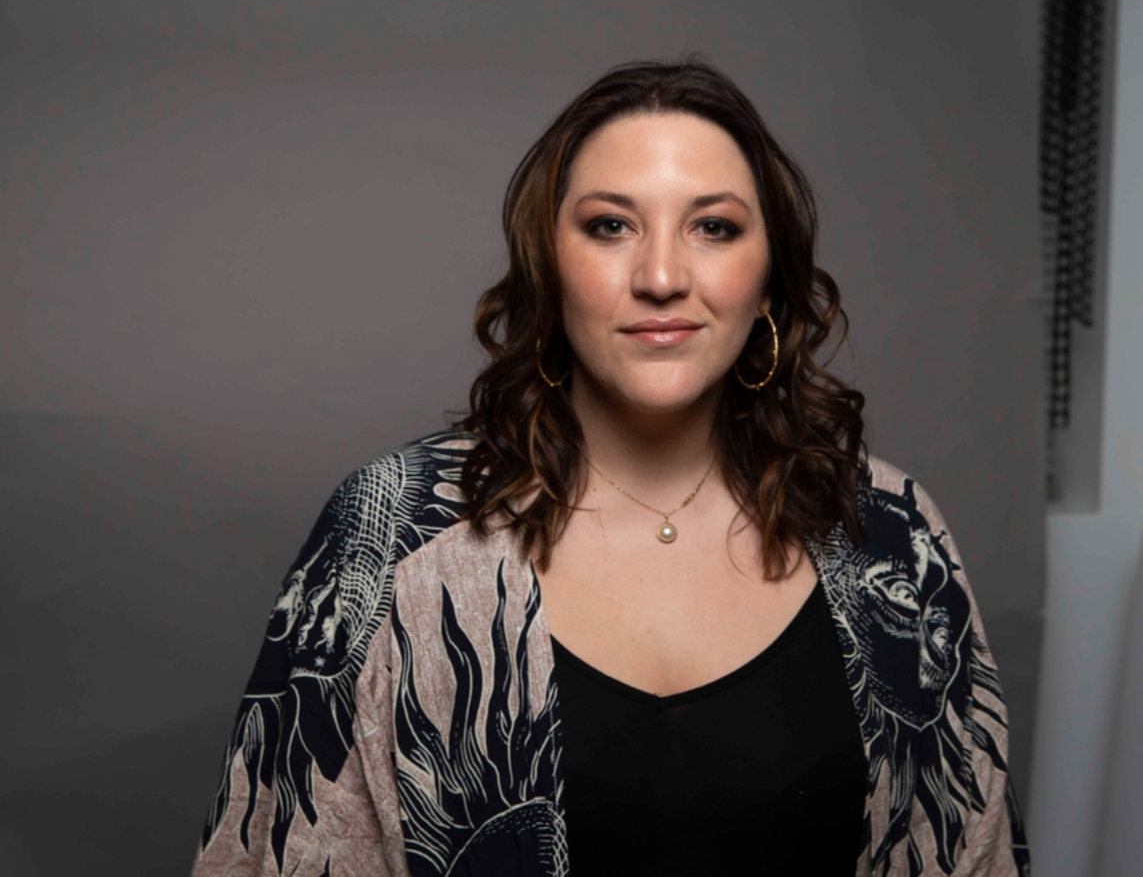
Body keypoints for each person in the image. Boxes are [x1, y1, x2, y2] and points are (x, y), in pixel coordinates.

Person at [189, 57, 1030, 877]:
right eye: (610, 226)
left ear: (770, 274)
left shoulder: (888, 530)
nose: (661, 277)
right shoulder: (392, 534)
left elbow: (973, 850)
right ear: (547, 263)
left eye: (713, 227)